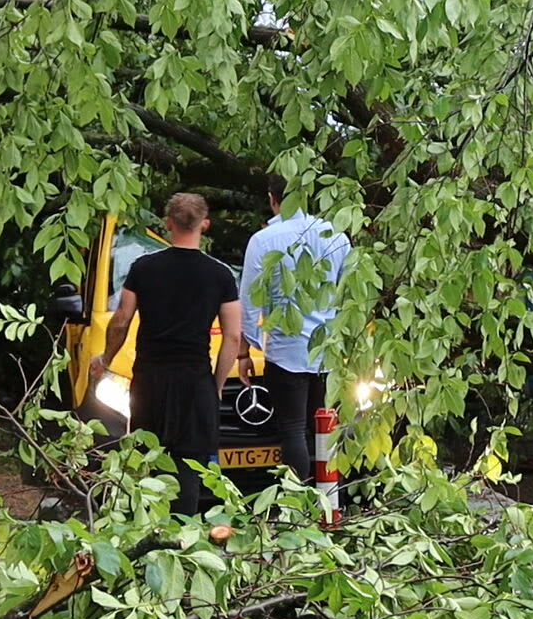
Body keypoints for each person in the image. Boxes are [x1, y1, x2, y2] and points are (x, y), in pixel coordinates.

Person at [91, 193, 243, 515]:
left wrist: (104, 360)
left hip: (150, 381)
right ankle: (184, 540)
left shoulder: (143, 268)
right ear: (205, 224)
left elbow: (120, 321)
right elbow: (232, 336)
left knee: (148, 463)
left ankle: (148, 532)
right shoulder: (220, 276)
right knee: (189, 469)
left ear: (168, 223)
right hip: (195, 380)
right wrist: (215, 385)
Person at [237, 175, 351, 482]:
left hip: (286, 349)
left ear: (273, 199)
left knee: (292, 429)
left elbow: (248, 300)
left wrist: (244, 350)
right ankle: (330, 500)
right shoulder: (337, 237)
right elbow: (350, 296)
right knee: (326, 427)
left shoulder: (263, 241)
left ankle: (299, 504)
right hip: (329, 350)